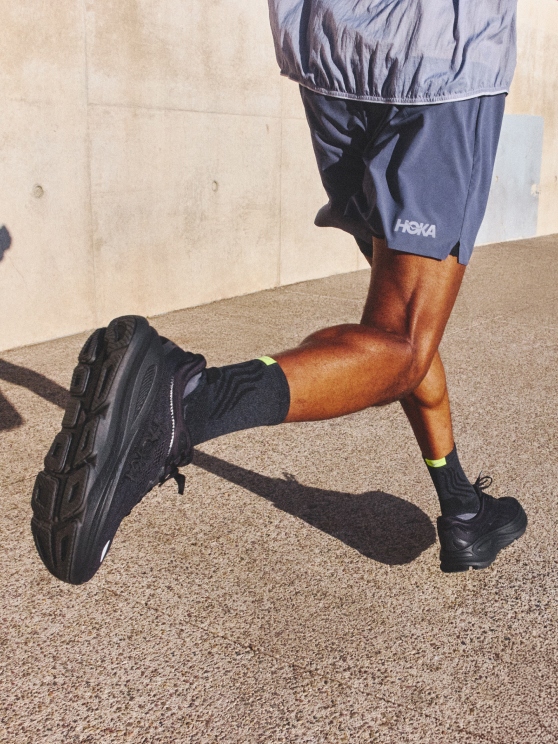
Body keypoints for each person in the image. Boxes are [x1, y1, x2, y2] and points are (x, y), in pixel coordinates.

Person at [31, 0, 527, 585]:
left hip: (332, 58)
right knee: (403, 342)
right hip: (443, 54)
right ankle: (185, 404)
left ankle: (460, 503)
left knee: (401, 313)